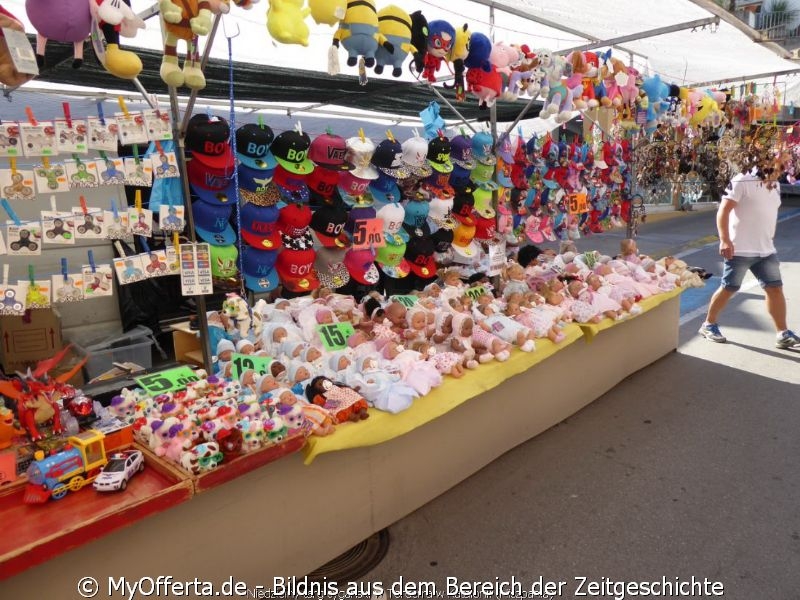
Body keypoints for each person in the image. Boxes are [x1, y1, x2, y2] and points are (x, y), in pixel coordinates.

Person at [699, 158, 800, 349]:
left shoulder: (775, 184)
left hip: (766, 250)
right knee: (729, 288)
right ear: (768, 160)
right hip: (740, 249)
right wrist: (725, 240)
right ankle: (708, 325)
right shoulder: (742, 180)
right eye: (783, 160)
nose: (788, 165)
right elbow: (723, 210)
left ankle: (782, 333)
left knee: (775, 289)